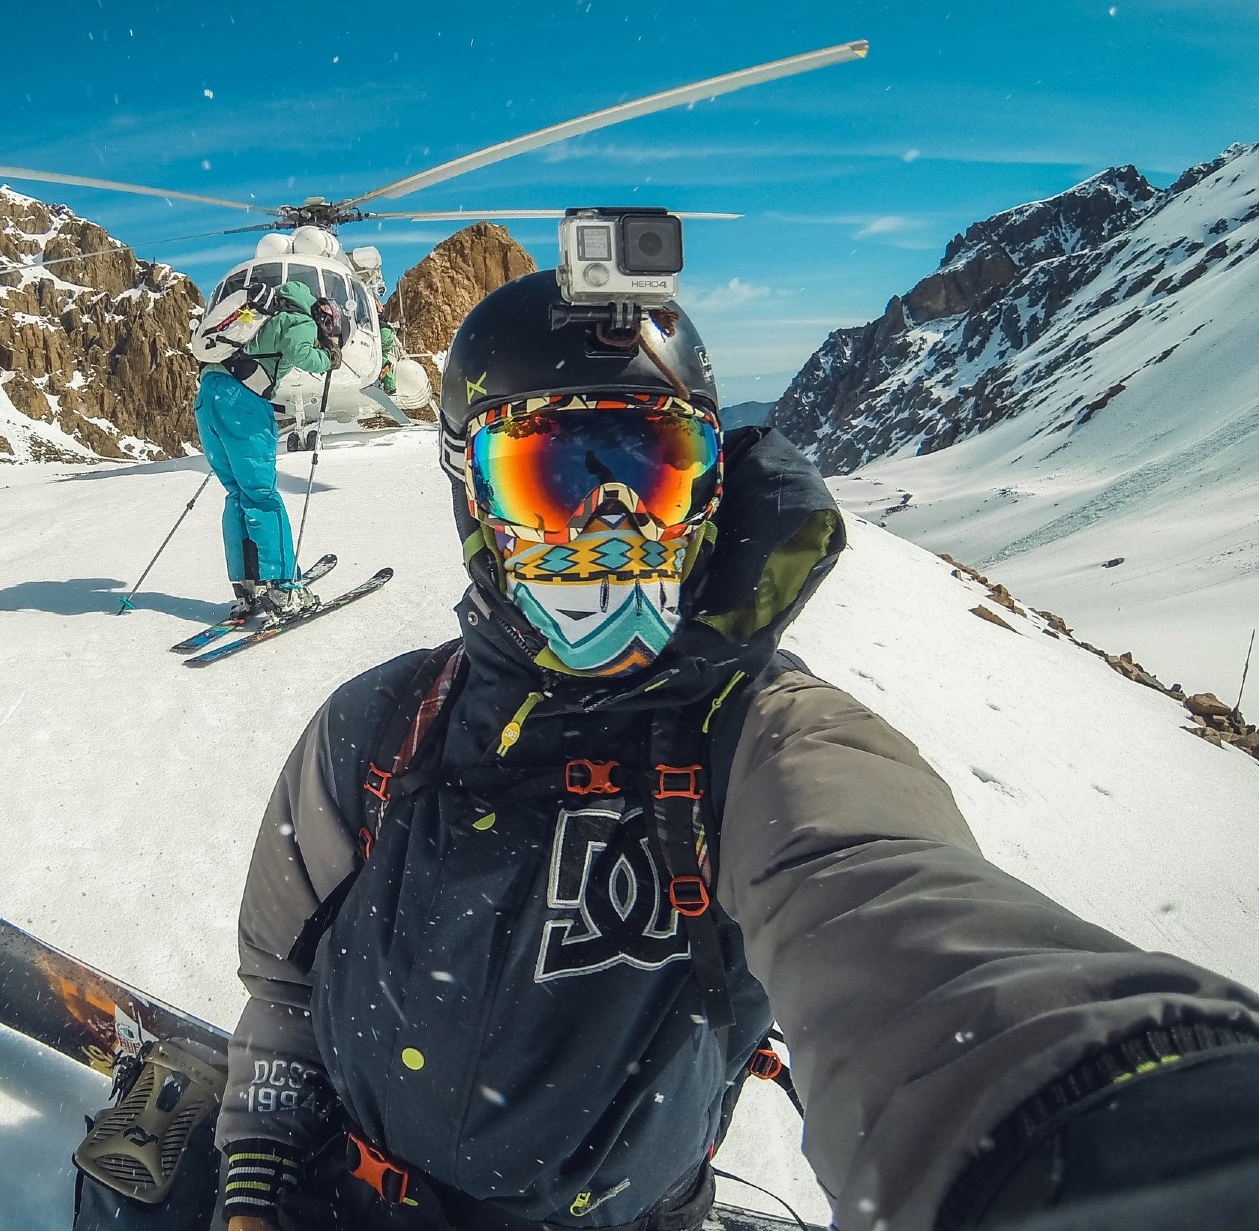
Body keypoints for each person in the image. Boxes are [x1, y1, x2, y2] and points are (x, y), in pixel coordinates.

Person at [191, 272, 1259, 1231]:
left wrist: (1095, 1121)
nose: (609, 523)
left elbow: (883, 899)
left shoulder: (761, 741)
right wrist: (257, 1171)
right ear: (473, 496)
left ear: (709, 494)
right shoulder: (378, 729)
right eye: (549, 477)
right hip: (354, 1203)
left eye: (651, 472)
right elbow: (285, 988)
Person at [196, 279, 340, 620]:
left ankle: (248, 585)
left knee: (237, 493)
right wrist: (328, 357)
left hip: (207, 398)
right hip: (242, 403)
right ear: (320, 314)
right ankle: (281, 588)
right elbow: (300, 353)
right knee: (261, 495)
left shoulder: (257, 314)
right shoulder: (299, 319)